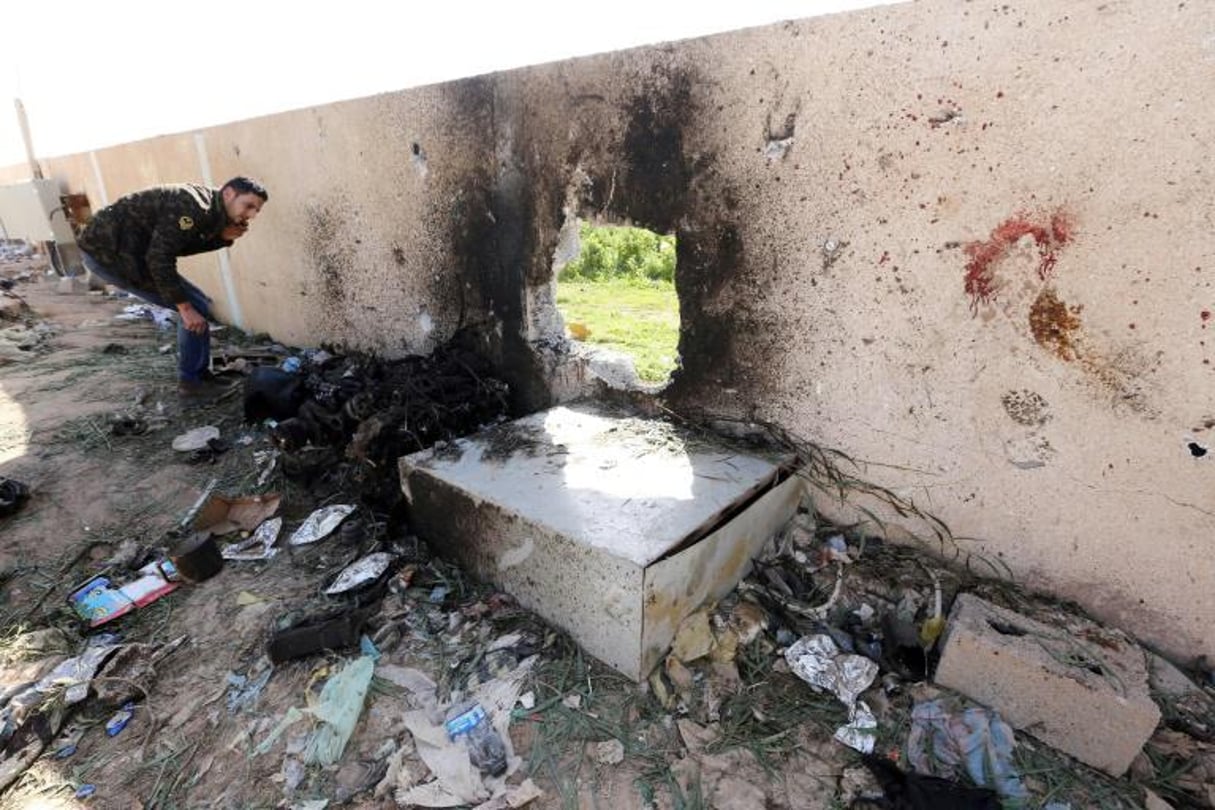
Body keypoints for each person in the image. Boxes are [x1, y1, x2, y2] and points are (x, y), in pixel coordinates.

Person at [77, 177, 268, 399]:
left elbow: (178, 246)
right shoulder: (193, 207)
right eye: (249, 206)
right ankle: (192, 383)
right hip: (109, 254)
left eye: (257, 210)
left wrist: (221, 238)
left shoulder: (210, 211)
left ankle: (199, 375)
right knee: (193, 306)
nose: (252, 215)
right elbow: (159, 257)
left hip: (129, 251)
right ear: (228, 194)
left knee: (200, 304)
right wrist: (185, 309)